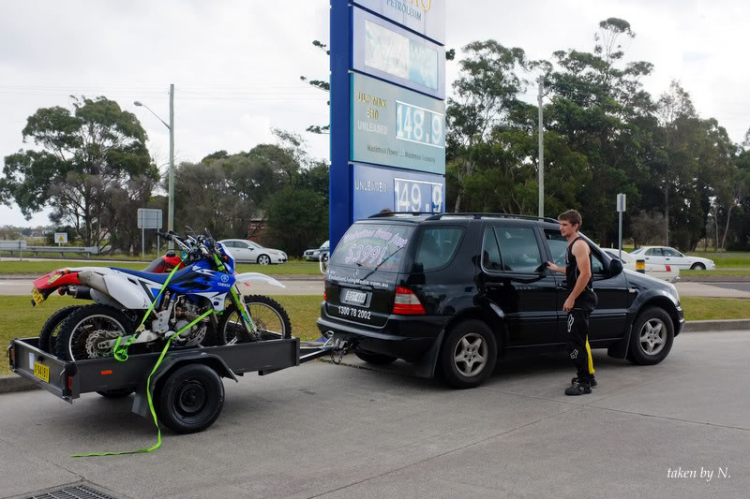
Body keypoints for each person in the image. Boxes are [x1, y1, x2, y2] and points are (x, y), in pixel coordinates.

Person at [546, 210, 598, 396]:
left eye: (565, 225)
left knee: (574, 344)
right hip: (580, 299)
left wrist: (571, 297)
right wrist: (556, 268)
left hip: (581, 300)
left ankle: (584, 382)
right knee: (580, 341)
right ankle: (588, 377)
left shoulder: (579, 245)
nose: (561, 228)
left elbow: (585, 274)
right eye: (560, 224)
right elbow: (573, 270)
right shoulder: (572, 244)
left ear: (575, 226)